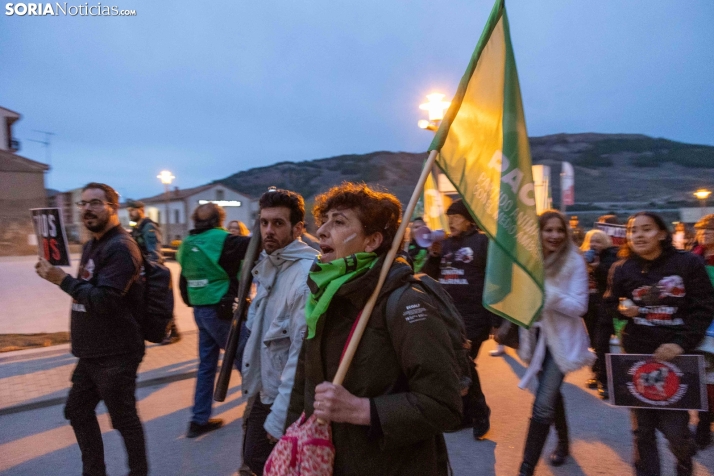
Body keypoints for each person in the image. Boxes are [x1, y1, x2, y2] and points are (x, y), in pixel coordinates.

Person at [286, 182, 462, 475]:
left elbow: (445, 406)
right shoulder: (325, 297)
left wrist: (362, 409)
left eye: (339, 222)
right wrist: (291, 437)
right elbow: (305, 387)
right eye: (324, 221)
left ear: (372, 241)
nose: (322, 232)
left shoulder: (405, 303)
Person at [35, 182, 148, 476]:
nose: (87, 209)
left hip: (117, 353)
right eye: (83, 203)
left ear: (114, 208)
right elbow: (87, 289)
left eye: (96, 203)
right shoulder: (93, 244)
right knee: (77, 411)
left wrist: (62, 280)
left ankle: (139, 472)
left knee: (124, 421)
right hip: (93, 353)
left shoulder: (121, 248)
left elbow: (104, 299)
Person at [605, 211, 714, 476]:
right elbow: (608, 310)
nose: (638, 235)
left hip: (677, 360)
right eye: (633, 230)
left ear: (662, 234)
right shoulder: (622, 268)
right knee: (642, 432)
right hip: (636, 359)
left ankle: (684, 461)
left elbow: (704, 308)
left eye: (646, 229)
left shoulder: (688, 263)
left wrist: (679, 344)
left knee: (675, 431)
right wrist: (622, 310)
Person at [240, 189, 319, 475]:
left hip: (284, 397)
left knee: (268, 463)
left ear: (298, 228)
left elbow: (300, 355)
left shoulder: (304, 275)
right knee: (256, 461)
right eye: (264, 223)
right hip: (263, 389)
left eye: (278, 223)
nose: (268, 231)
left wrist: (280, 416)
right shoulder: (270, 264)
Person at [517, 210, 594, 475]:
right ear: (538, 232)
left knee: (542, 403)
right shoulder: (529, 260)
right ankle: (563, 441)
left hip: (561, 342)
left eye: (559, 230)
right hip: (535, 337)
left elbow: (580, 306)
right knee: (549, 394)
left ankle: (526, 467)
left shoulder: (574, 261)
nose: (554, 235)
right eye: (548, 230)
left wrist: (548, 295)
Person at [422, 199, 495, 439]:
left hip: (474, 317)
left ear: (468, 219)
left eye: (456, 217)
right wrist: (433, 255)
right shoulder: (444, 244)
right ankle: (467, 413)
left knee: (463, 363)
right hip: (447, 316)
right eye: (449, 216)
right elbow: (427, 276)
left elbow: (494, 279)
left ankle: (480, 411)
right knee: (458, 365)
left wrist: (495, 321)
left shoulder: (482, 242)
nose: (451, 221)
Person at [177, 203, 250, 438]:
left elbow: (183, 279)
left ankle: (199, 420)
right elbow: (256, 244)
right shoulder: (222, 240)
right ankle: (258, 416)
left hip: (200, 311)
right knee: (247, 359)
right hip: (222, 310)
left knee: (206, 366)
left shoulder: (187, 244)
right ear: (220, 218)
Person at [126, 199, 181, 345]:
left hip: (153, 271)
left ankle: (173, 331)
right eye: (128, 211)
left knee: (160, 302)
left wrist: (151, 270)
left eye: (132, 210)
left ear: (141, 210)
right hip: (144, 270)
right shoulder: (137, 227)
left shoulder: (148, 226)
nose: (130, 213)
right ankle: (167, 330)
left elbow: (154, 251)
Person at [688, 214, 714, 450]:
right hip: (697, 324)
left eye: (709, 230)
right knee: (701, 377)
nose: (704, 234)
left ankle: (706, 423)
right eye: (701, 230)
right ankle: (703, 423)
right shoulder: (691, 257)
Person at [580, 229, 615, 393]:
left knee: (601, 342)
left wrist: (597, 267)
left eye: (598, 241)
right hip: (589, 307)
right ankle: (598, 373)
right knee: (594, 343)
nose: (594, 245)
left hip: (604, 307)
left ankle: (606, 381)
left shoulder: (611, 256)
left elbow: (612, 277)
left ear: (606, 242)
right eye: (591, 241)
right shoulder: (584, 256)